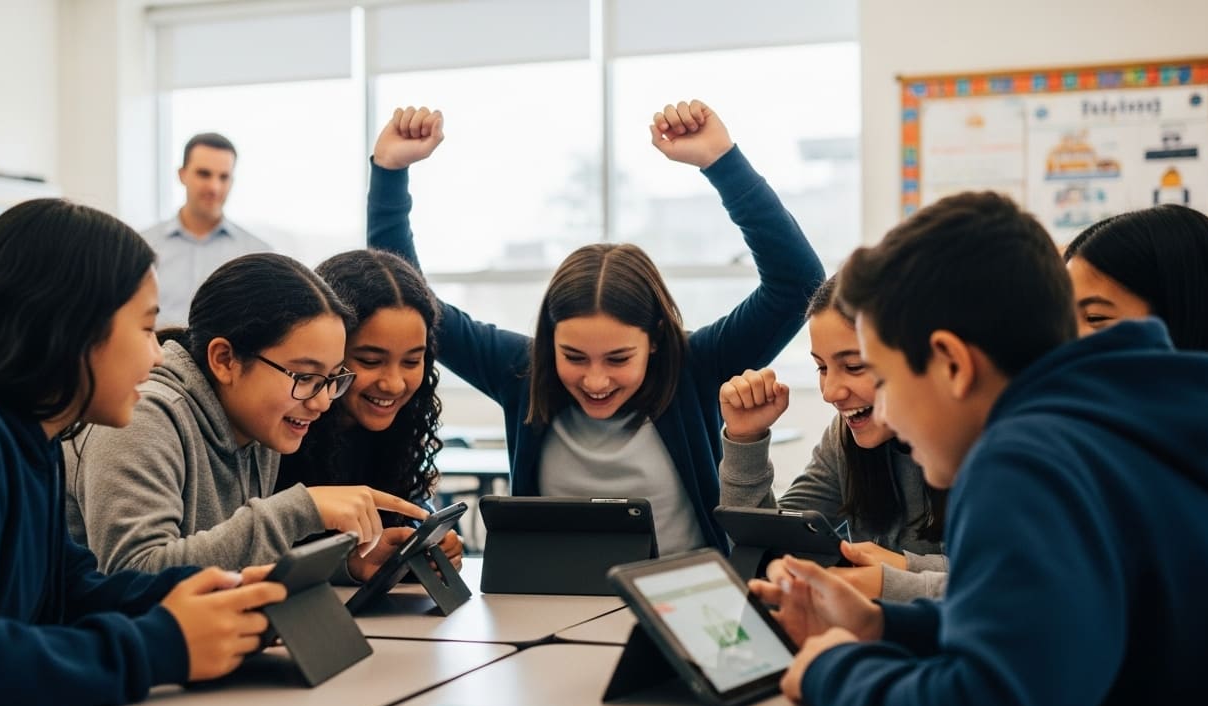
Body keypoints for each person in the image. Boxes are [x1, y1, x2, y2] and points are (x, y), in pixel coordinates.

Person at [751, 191, 1208, 706]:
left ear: (952, 362)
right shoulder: (1123, 428)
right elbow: (1051, 629)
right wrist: (881, 626)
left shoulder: (1024, 459)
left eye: (888, 379)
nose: (889, 415)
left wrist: (832, 669)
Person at [0, 199, 286, 706]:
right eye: (146, 328)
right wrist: (161, 646)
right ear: (74, 328)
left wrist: (203, 592)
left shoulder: (29, 435)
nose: (157, 356)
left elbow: (68, 593)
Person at [368, 101, 825, 555]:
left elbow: (797, 284)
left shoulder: (695, 366)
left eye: (619, 358)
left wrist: (721, 162)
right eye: (574, 357)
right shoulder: (521, 371)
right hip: (549, 604)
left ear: (655, 342)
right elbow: (408, 301)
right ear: (550, 344)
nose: (596, 380)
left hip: (685, 602)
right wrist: (390, 172)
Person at [66, 252, 429, 582]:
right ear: (224, 360)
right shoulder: (146, 417)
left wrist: (347, 564)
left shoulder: (259, 424)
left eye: (332, 379)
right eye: (304, 377)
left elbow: (234, 563)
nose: (321, 403)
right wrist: (300, 510)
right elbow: (133, 575)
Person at [718, 274, 946, 600]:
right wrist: (746, 439)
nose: (829, 392)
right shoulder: (845, 440)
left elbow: (1013, 585)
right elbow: (765, 547)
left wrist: (899, 571)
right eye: (821, 368)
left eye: (853, 366)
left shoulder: (989, 445)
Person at [1064, 204, 1208, 510]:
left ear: (1182, 316)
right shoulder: (1133, 428)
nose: (1068, 341)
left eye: (1095, 317)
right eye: (1064, 319)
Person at [276, 248, 463, 563]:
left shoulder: (398, 429)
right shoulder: (283, 429)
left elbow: (397, 522)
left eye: (412, 361)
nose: (393, 383)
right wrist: (346, 560)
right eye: (370, 360)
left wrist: (421, 539)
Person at [143, 132, 272, 326]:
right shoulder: (143, 247)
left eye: (224, 177)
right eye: (204, 174)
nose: (214, 187)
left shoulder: (258, 255)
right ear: (182, 174)